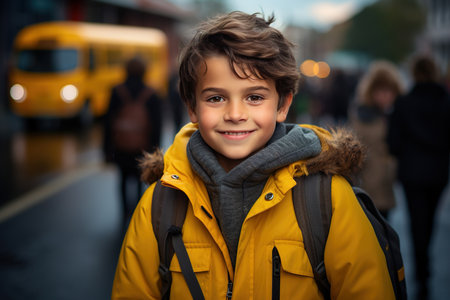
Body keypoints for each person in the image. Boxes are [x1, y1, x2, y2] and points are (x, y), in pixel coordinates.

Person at [111, 12, 395, 299]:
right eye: (216, 98)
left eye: (254, 97)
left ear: (282, 104)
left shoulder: (329, 201)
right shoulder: (159, 205)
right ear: (193, 108)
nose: (235, 114)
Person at [387, 55, 450, 300]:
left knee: (416, 223)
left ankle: (421, 274)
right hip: (437, 173)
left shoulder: (404, 103)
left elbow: (393, 143)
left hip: (412, 173)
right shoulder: (446, 102)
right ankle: (426, 271)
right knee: (431, 221)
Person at [103, 56, 162, 221]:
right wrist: (155, 151)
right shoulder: (151, 94)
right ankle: (136, 214)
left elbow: (108, 122)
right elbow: (156, 125)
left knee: (122, 179)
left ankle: (123, 212)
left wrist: (107, 149)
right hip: (142, 146)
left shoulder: (117, 91)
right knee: (138, 179)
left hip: (121, 146)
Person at [349, 60, 404, 219]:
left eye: (390, 91)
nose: (387, 96)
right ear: (372, 91)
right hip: (368, 184)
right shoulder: (363, 115)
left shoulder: (394, 116)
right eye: (382, 91)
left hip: (386, 185)